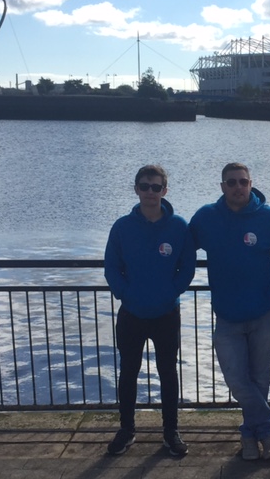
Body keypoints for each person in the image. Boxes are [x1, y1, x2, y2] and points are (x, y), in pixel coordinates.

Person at [189, 163, 270, 461]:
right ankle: (267, 430)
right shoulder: (206, 218)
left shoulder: (267, 216)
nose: (238, 187)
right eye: (231, 182)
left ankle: (251, 438)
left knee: (259, 379)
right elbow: (181, 245)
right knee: (237, 380)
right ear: (222, 186)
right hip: (226, 315)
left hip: (264, 311)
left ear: (251, 184)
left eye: (243, 181)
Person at [104, 165, 196, 456]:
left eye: (156, 187)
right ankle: (127, 430)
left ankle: (171, 432)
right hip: (131, 314)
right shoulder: (121, 227)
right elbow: (111, 268)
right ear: (136, 190)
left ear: (164, 191)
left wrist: (171, 292)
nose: (150, 192)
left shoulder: (179, 226)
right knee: (128, 372)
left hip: (167, 314)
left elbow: (188, 268)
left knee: (167, 373)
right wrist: (125, 294)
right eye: (145, 186)